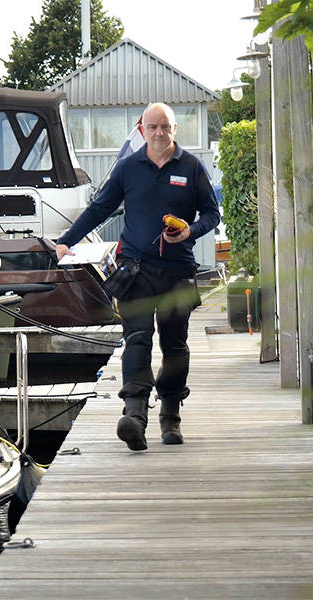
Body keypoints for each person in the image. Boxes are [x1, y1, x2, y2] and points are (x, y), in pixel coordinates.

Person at [56, 103, 220, 451]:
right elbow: (100, 207)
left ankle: (170, 417)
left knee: (174, 345)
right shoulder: (128, 168)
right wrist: (66, 241)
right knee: (138, 339)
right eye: (153, 127)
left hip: (178, 271)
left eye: (166, 127)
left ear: (175, 129)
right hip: (135, 270)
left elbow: (211, 214)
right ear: (142, 129)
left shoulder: (191, 167)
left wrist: (190, 230)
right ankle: (134, 416)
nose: (159, 133)